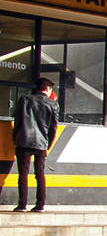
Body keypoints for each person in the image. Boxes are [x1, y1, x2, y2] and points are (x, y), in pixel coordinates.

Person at [10, 78, 60, 212]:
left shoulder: (24, 100)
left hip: (23, 141)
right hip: (41, 144)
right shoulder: (52, 104)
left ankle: (22, 205)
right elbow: (53, 129)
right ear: (47, 89)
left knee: (23, 174)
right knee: (40, 174)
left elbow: (18, 121)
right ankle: (40, 205)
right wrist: (47, 145)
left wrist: (15, 138)